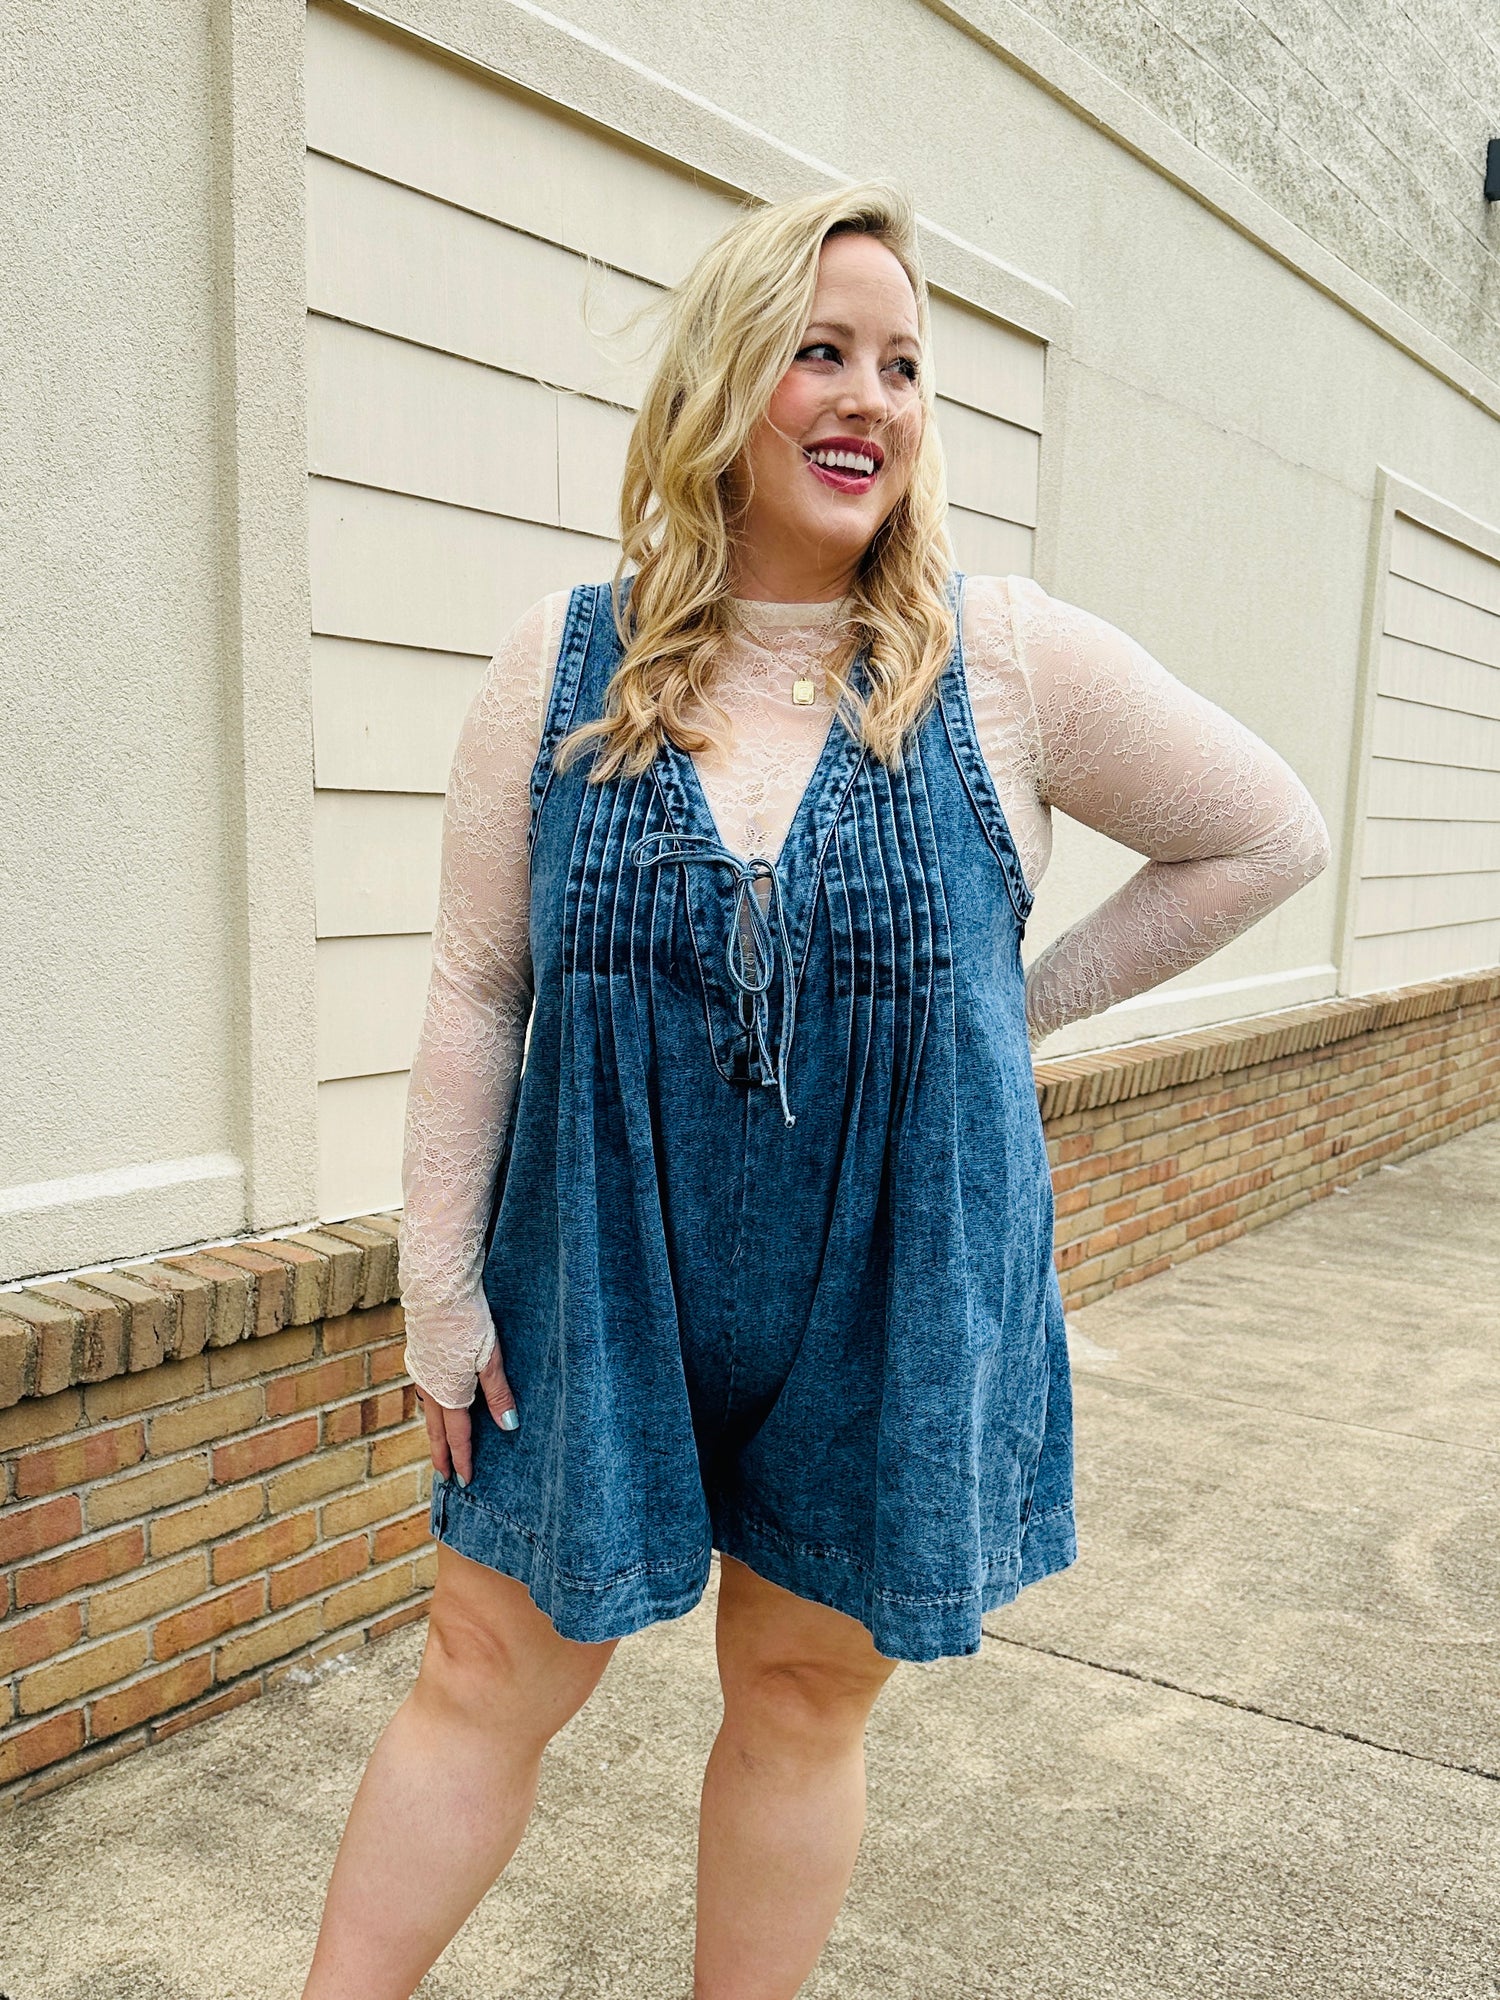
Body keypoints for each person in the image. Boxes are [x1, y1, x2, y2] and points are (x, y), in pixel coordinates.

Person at [301, 181, 1330, 2000]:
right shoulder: (559, 664)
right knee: (483, 1666)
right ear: (723, 379)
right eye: (821, 351)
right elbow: (476, 986)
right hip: (598, 1272)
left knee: (796, 1693)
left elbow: (1264, 835)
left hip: (894, 1283)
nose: (873, 397)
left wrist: (1015, 1014)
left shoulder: (1004, 662)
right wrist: (436, 1292)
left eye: (905, 364)